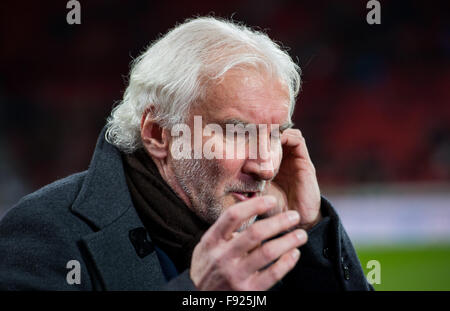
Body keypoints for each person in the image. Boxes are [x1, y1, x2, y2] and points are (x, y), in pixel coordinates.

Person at [0, 16, 372, 291]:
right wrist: (197, 292)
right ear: (158, 134)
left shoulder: (275, 233)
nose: (265, 165)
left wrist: (311, 231)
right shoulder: (42, 234)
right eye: (238, 132)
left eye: (275, 135)